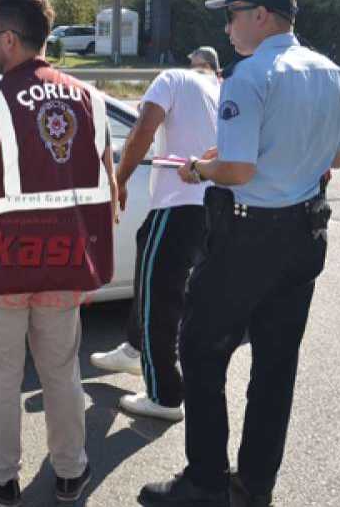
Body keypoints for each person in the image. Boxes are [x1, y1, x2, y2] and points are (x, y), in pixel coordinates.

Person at [140, 0, 340, 507]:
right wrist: (232, 163)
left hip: (248, 235)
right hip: (305, 233)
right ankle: (255, 486)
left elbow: (236, 169)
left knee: (200, 350)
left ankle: (206, 480)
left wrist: (199, 169)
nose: (227, 25)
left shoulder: (251, 74)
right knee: (276, 365)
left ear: (261, 15)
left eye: (232, 13)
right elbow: (336, 157)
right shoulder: (332, 73)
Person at [0, 0, 118, 506]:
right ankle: (71, 473)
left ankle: (1, 480)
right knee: (61, 371)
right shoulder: (89, 98)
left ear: (10, 39)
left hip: (2, 266)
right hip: (64, 265)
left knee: (0, 376)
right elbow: (109, 187)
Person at [90, 45, 219, 422]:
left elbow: (144, 127)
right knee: (151, 266)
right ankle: (134, 348)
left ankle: (164, 394)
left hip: (179, 205)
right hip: (212, 205)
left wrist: (119, 180)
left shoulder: (172, 78)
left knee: (159, 298)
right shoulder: (224, 89)